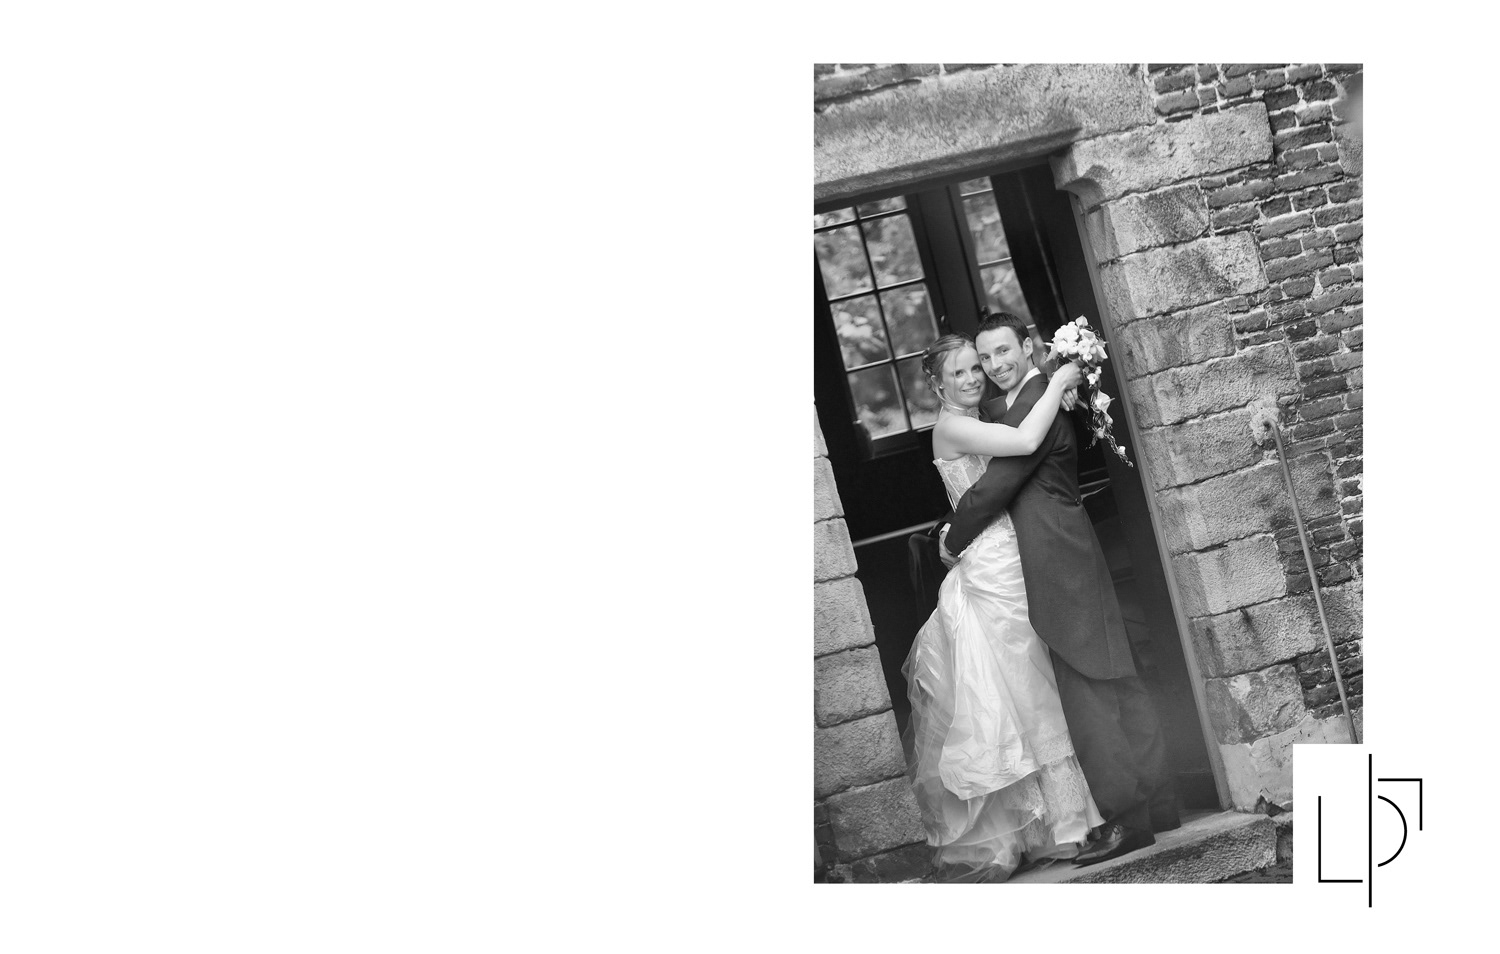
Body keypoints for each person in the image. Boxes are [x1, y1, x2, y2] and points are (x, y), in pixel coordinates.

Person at [939, 311, 1180, 869]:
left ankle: (1128, 819)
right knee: (1113, 680)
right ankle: (1158, 805)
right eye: (984, 357)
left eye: (1003, 351)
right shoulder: (1028, 398)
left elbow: (995, 485)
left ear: (1029, 347)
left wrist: (952, 534)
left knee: (1090, 693)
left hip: (1058, 561)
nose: (994, 366)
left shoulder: (1035, 401)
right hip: (1064, 555)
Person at [901, 331, 1099, 882]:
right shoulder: (952, 426)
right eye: (959, 372)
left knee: (1038, 683)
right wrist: (1060, 377)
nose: (972, 378)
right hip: (991, 567)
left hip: (1016, 551)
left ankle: (1067, 819)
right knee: (1025, 687)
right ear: (937, 384)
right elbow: (1027, 440)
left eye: (976, 367)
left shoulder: (985, 413)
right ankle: (1063, 825)